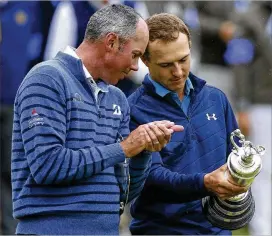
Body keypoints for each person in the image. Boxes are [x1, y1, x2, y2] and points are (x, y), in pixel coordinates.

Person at [11, 5, 183, 235]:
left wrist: (142, 151)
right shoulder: (46, 79)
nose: (135, 67)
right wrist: (125, 147)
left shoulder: (118, 98)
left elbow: (120, 193)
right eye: (135, 55)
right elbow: (48, 166)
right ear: (111, 42)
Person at [128, 13, 249, 235]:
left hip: (217, 229)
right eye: (166, 65)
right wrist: (205, 183)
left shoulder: (216, 99)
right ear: (145, 60)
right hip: (161, 230)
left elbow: (236, 156)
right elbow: (150, 177)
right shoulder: (134, 110)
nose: (178, 72)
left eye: (183, 59)